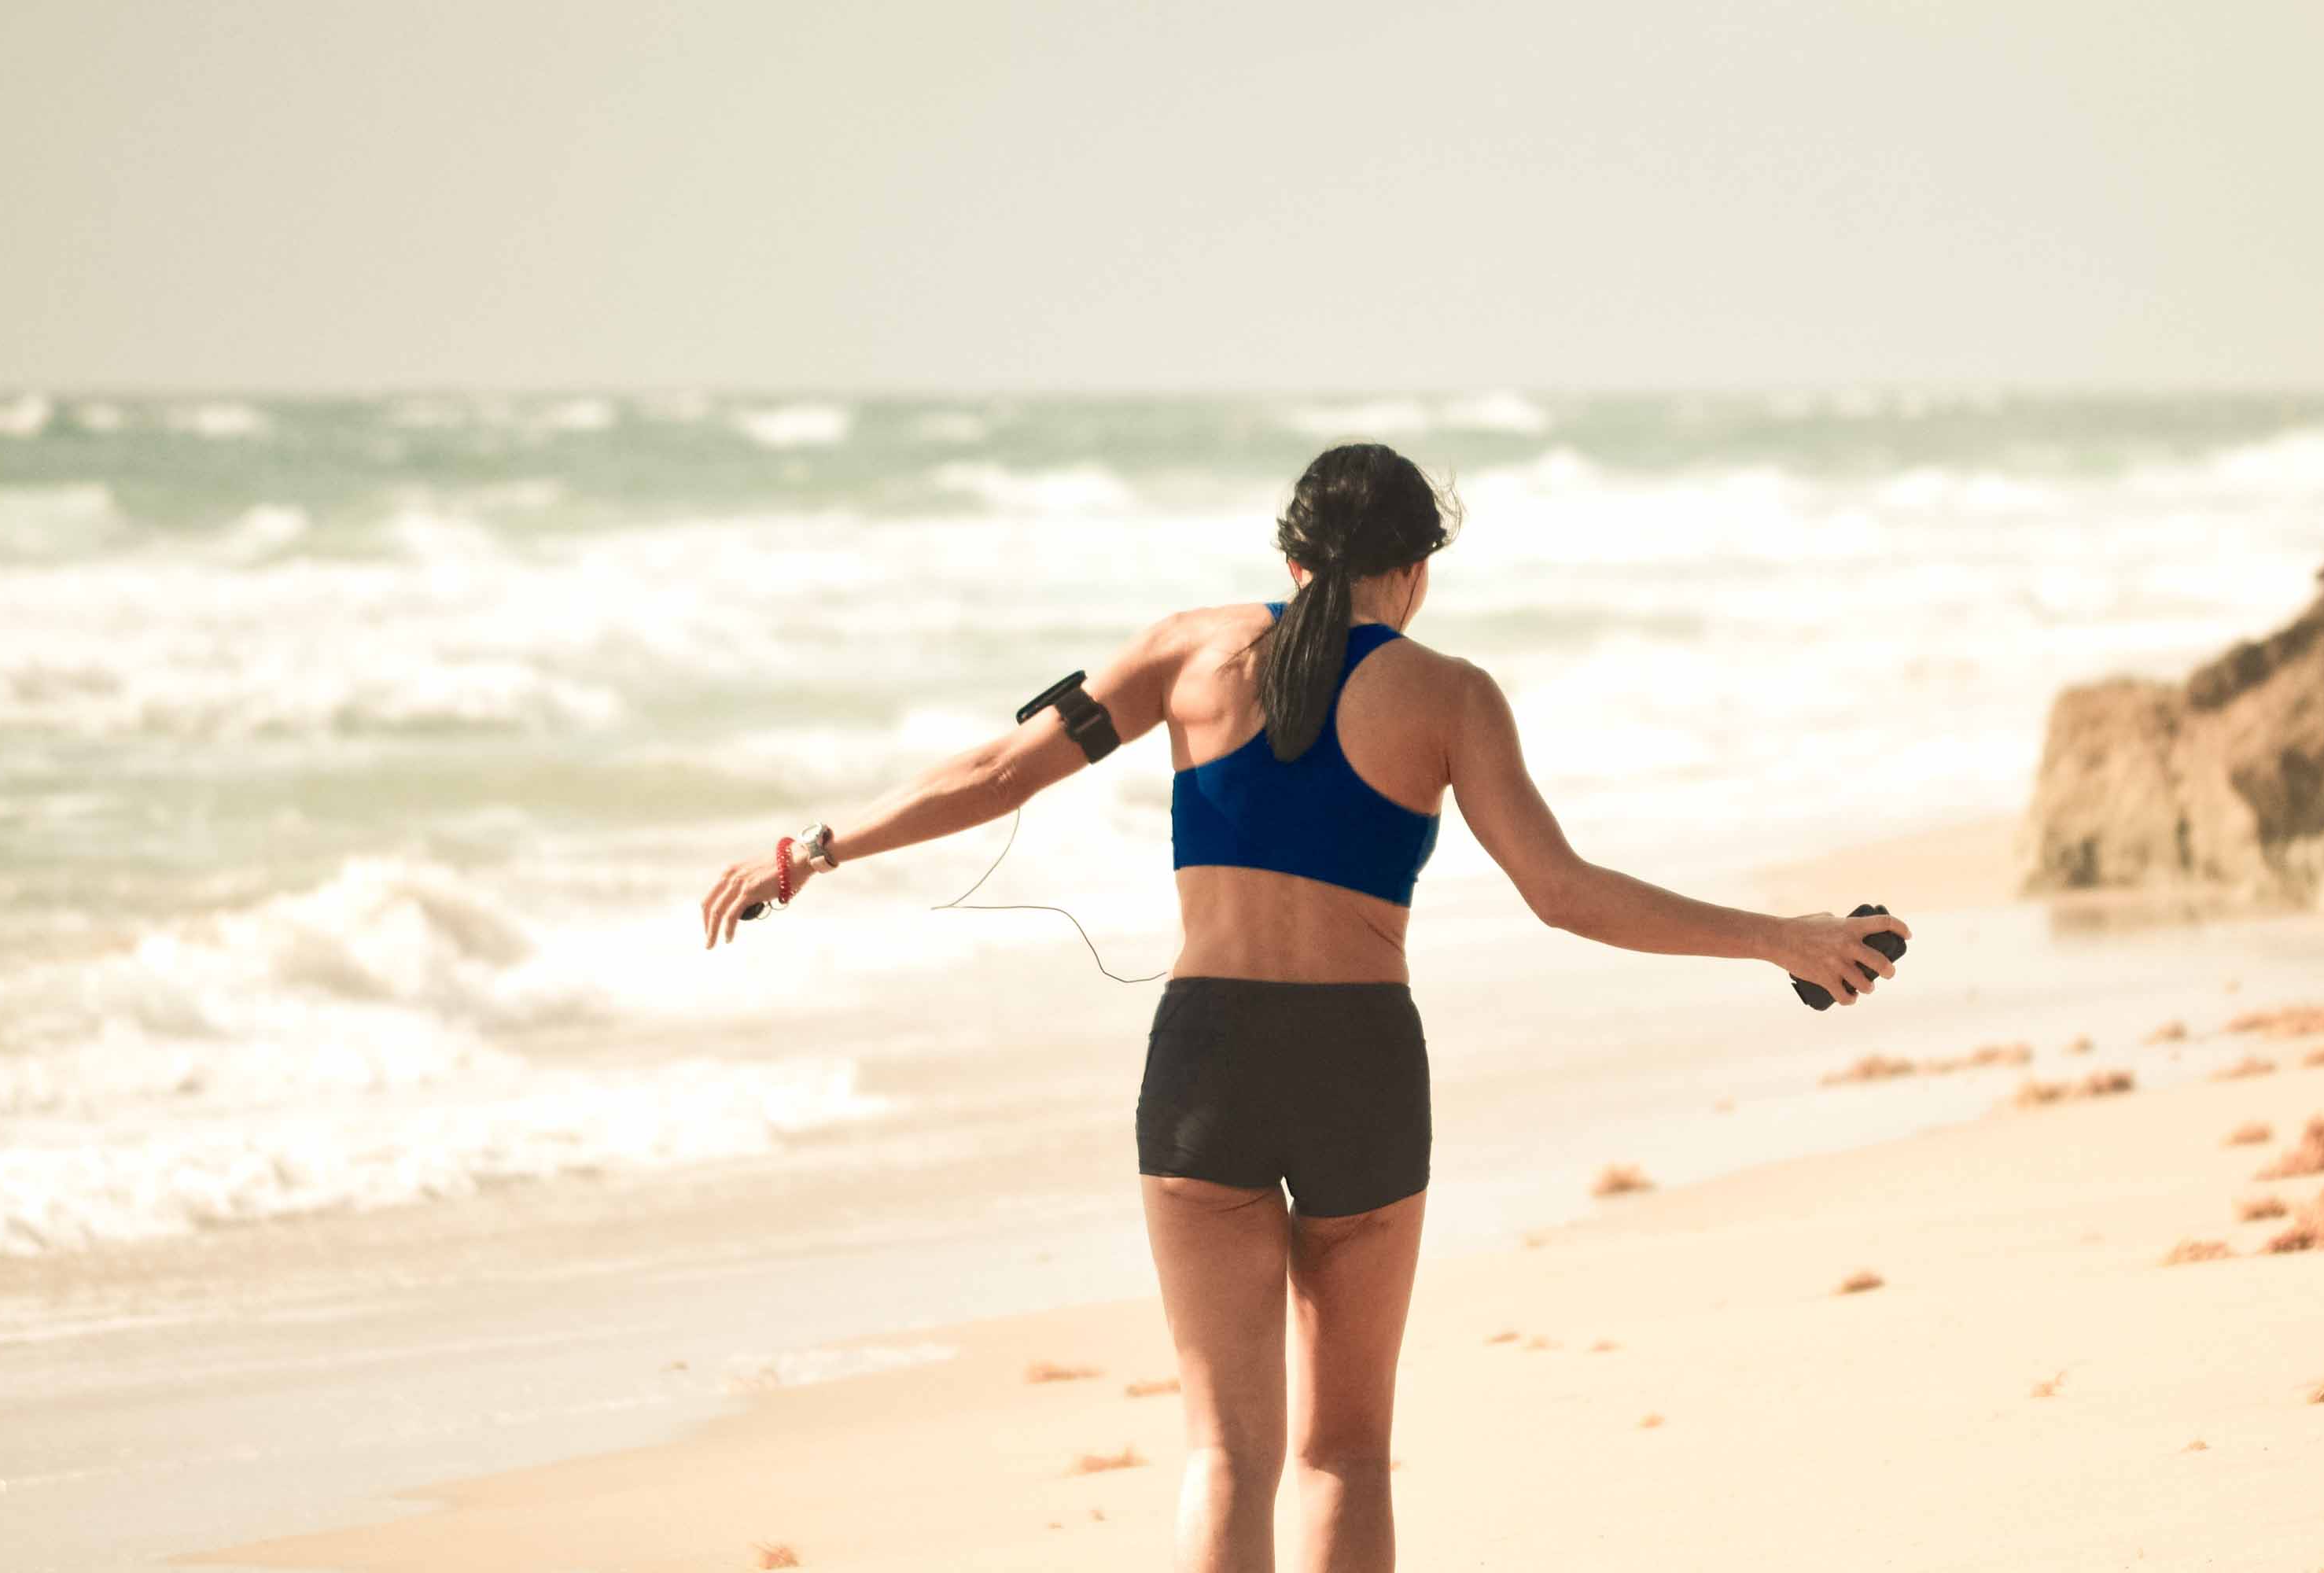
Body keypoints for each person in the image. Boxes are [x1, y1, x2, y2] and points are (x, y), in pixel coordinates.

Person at [698, 440, 1910, 1572]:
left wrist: (809, 853)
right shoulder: (1452, 696)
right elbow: (1562, 892)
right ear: (1418, 573)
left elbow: (996, 773)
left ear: (1288, 556)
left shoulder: (1182, 653)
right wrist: (1781, 940)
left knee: (1226, 1453)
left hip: (1206, 1066)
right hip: (1360, 1068)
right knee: (1348, 1453)